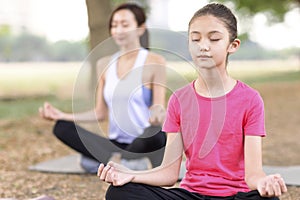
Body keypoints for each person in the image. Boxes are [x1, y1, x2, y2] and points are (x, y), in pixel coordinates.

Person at [97, 3, 288, 199]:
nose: (203, 46)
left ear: (233, 45)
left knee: (269, 198)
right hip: (191, 195)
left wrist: (264, 182)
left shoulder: (250, 99)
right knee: (119, 192)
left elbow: (253, 174)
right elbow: (169, 174)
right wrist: (129, 174)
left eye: (214, 39)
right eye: (195, 39)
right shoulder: (179, 100)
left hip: (235, 196)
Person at [39, 3, 167, 172]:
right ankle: (123, 161)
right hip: (116, 144)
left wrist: (157, 115)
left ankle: (110, 161)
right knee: (61, 127)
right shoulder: (104, 64)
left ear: (140, 28)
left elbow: (158, 107)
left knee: (156, 136)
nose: (119, 30)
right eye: (114, 25)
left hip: (143, 141)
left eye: (125, 25)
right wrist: (62, 115)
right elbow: (100, 113)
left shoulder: (154, 61)